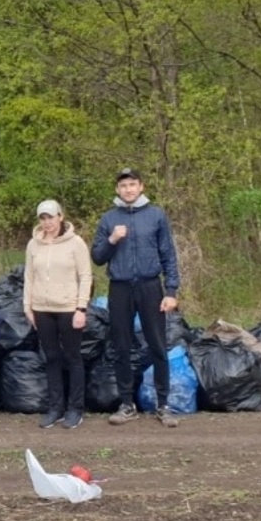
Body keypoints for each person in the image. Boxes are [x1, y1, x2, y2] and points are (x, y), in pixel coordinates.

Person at [90, 168, 182, 428]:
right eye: (123, 186)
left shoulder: (156, 215)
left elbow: (168, 255)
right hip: (119, 288)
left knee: (157, 345)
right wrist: (112, 239)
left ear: (141, 187)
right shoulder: (109, 219)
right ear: (117, 190)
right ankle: (127, 404)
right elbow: (97, 257)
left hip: (150, 287)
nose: (128, 189)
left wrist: (172, 291)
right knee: (121, 347)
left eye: (132, 184)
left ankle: (163, 405)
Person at [24, 199, 92, 430]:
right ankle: (55, 407)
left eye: (51, 217)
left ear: (61, 216)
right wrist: (28, 307)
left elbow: (86, 276)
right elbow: (29, 277)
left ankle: (75, 409)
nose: (47, 222)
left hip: (68, 309)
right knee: (51, 357)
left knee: (73, 357)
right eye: (43, 218)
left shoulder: (76, 244)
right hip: (42, 308)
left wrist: (81, 307)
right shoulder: (33, 245)